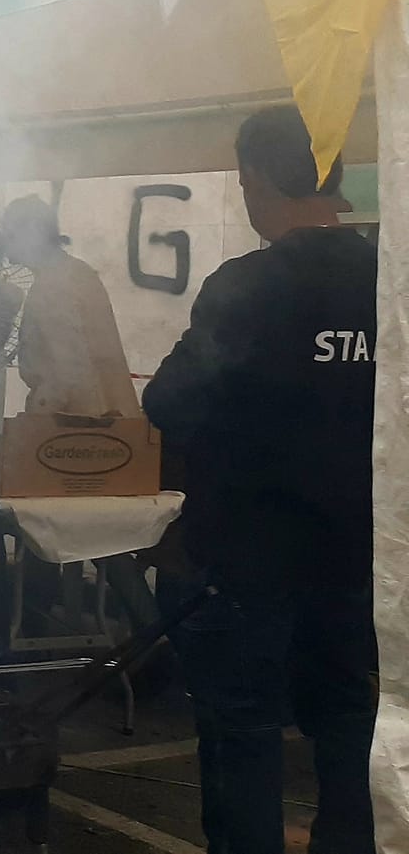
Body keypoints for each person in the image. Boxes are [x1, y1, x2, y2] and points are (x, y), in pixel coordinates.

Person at [143, 105, 377, 854]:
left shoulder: (247, 286)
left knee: (241, 729)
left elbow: (171, 402)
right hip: (354, 556)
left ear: (257, 178)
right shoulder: (390, 279)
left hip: (245, 560)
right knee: (347, 721)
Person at [2, 196, 141, 417]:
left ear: (33, 232)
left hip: (77, 428)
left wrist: (36, 423)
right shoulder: (76, 271)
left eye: (9, 235)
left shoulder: (53, 286)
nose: (5, 245)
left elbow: (64, 374)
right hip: (108, 419)